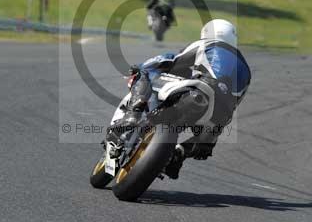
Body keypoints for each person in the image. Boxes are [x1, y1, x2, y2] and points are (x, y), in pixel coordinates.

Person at [107, 19, 251, 179]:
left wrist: (141, 66)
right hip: (220, 115)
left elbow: (172, 60)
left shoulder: (208, 44)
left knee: (145, 73)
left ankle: (132, 114)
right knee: (204, 142)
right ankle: (178, 155)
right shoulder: (246, 69)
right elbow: (235, 103)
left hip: (199, 90)